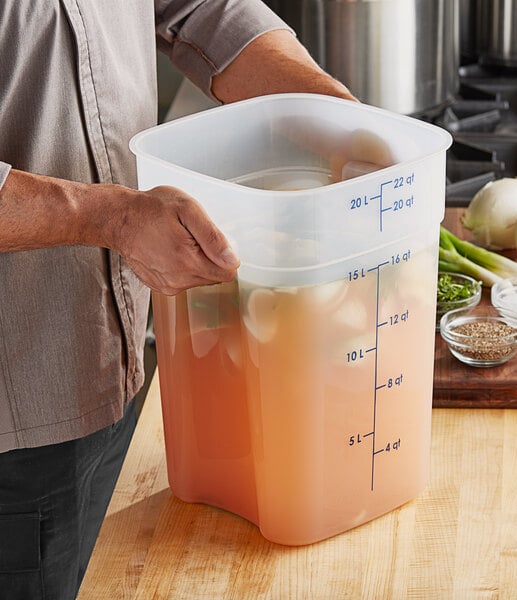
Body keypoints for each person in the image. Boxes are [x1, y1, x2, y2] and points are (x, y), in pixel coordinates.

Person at [0, 2, 355, 598]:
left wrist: (325, 114)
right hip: (17, 419)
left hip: (118, 366)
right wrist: (107, 216)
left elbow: (199, 7)